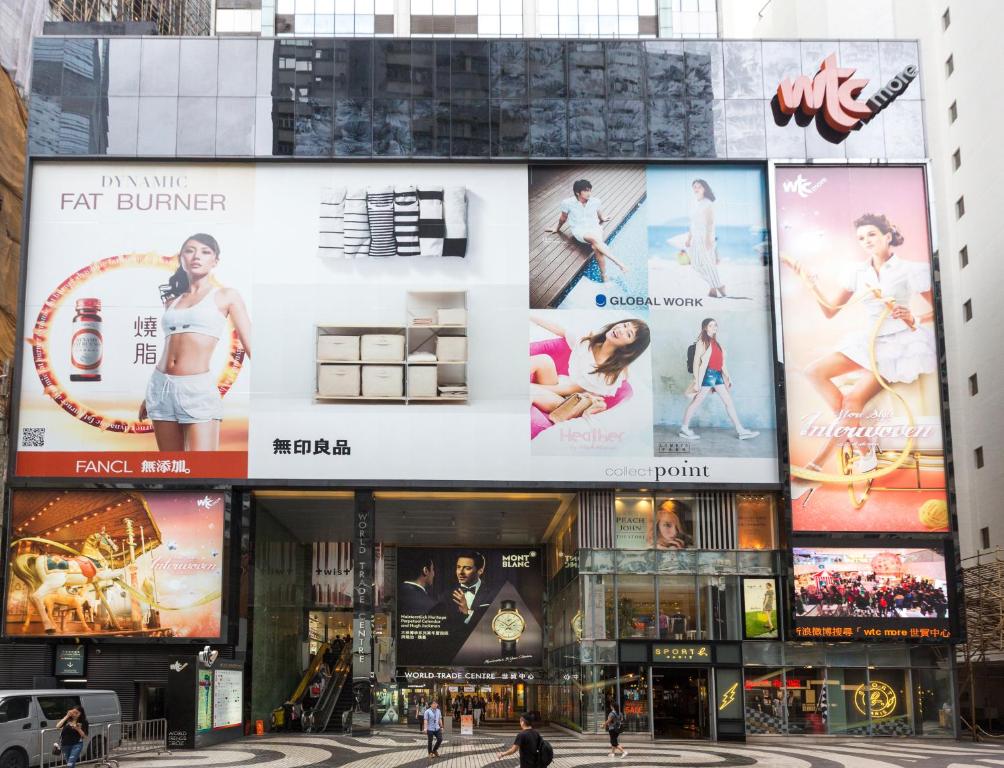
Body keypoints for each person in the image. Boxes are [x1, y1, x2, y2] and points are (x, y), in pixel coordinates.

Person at [789, 212, 936, 475]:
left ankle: (864, 454)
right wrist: (810, 285)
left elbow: (939, 309)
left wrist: (914, 317)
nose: (866, 240)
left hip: (899, 345)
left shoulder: (910, 269)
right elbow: (830, 310)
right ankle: (859, 441)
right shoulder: (857, 271)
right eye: (861, 237)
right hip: (867, 341)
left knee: (852, 402)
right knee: (814, 371)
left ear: (887, 236)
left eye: (871, 234)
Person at [139, 233, 251, 451]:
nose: (196, 256)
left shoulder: (227, 296)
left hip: (197, 388)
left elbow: (251, 344)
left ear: (215, 261)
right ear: (181, 258)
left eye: (205, 251)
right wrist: (149, 397)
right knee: (170, 469)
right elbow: (169, 346)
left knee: (203, 470)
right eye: (190, 250)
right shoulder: (172, 300)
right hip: (160, 386)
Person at [530, 316, 651, 420]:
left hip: (567, 404)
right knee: (544, 359)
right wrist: (531, 317)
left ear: (629, 348)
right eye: (625, 325)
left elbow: (569, 390)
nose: (621, 330)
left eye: (628, 334)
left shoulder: (609, 374)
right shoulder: (589, 342)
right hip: (558, 387)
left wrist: (533, 386)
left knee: (530, 391)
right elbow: (560, 330)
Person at [679, 318, 759, 441]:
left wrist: (728, 377)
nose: (714, 327)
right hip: (707, 375)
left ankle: (740, 430)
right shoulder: (702, 342)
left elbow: (721, 362)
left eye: (715, 325)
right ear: (705, 327)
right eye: (711, 325)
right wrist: (697, 381)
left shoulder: (716, 342)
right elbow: (696, 363)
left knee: (728, 402)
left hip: (717, 375)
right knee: (696, 401)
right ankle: (684, 429)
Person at [546, 178, 628, 282]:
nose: (589, 193)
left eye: (590, 190)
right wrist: (556, 228)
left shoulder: (596, 201)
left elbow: (598, 210)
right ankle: (619, 263)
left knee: (596, 247)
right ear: (577, 192)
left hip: (595, 228)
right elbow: (563, 218)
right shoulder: (567, 203)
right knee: (594, 240)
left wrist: (602, 218)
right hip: (579, 231)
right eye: (585, 190)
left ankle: (604, 275)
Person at [681, 178, 726, 298]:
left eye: (699, 186)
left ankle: (714, 288)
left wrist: (708, 239)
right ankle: (718, 285)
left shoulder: (708, 203)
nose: (696, 189)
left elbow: (710, 223)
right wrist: (689, 238)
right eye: (694, 187)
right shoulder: (694, 203)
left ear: (704, 189)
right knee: (695, 264)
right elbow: (692, 223)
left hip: (705, 236)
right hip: (695, 237)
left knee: (708, 264)